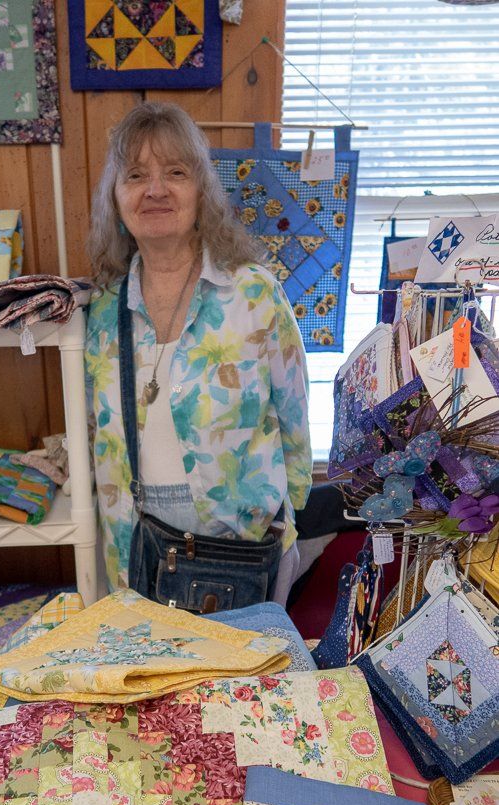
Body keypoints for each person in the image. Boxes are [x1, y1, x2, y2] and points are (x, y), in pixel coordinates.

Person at [86, 101, 312, 605]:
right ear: (116, 199)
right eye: (135, 175)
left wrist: (288, 521)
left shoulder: (253, 294)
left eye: (176, 172)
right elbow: (95, 434)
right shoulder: (101, 311)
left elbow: (295, 418)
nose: (155, 189)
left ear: (202, 191)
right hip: (138, 555)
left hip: (245, 552)